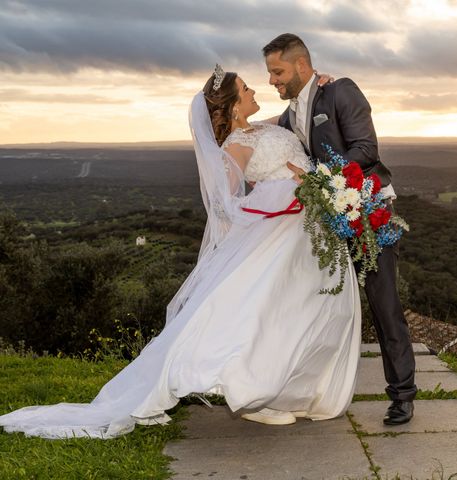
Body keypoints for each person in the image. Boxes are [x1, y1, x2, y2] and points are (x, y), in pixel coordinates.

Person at [0, 66, 361, 439]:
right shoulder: (237, 142)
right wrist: (272, 201)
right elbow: (225, 197)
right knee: (268, 310)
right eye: (246, 88)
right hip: (282, 225)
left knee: (308, 306)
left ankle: (295, 390)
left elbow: (296, 116)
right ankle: (257, 395)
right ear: (234, 106)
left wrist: (323, 87)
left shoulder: (263, 127)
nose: (255, 90)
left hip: (310, 223)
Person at [264, 33, 417, 426]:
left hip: (369, 215)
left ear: (301, 66)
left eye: (277, 71)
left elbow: (366, 150)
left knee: (384, 306)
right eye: (269, 74)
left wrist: (319, 179)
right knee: (320, 305)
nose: (272, 81)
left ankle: (402, 395)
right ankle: (310, 389)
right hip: (326, 224)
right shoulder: (286, 117)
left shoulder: (340, 92)